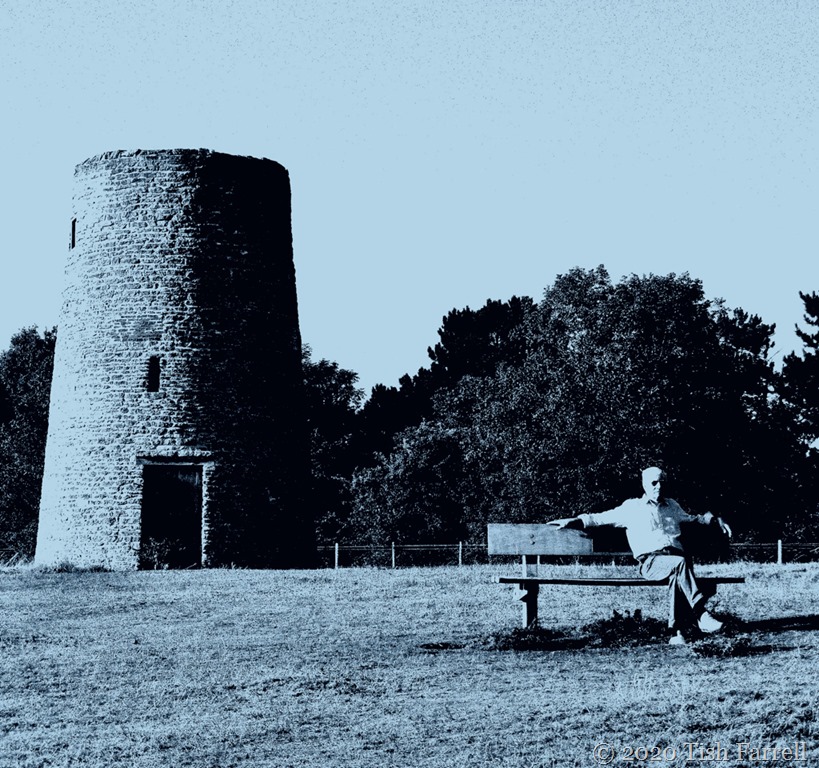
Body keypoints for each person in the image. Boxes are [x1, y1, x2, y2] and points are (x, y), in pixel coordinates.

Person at [548, 466, 732, 645]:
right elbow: (599, 518)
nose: (659, 486)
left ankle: (676, 633)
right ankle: (701, 614)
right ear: (644, 484)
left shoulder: (672, 506)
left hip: (676, 561)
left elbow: (694, 519)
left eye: (662, 482)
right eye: (654, 483)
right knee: (680, 564)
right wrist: (574, 521)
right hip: (651, 562)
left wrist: (716, 519)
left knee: (678, 570)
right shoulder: (632, 507)